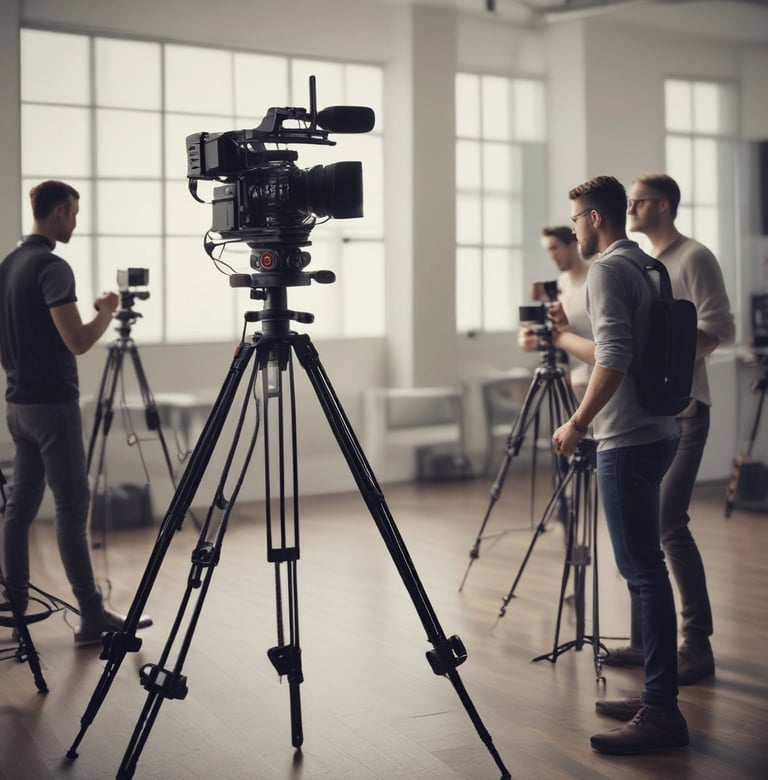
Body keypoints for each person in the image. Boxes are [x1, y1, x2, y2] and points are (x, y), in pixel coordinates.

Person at [550, 175, 688, 755]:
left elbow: (614, 357)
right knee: (646, 567)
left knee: (643, 571)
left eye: (578, 220)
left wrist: (576, 422)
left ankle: (661, 710)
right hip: (660, 429)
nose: (576, 228)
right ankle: (656, 694)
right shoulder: (649, 266)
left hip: (626, 438)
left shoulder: (607, 269)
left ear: (595, 219)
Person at [0, 180, 152, 646]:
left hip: (17, 406)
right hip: (52, 406)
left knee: (19, 511)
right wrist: (107, 309)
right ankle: (91, 615)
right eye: (75, 213)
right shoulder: (51, 266)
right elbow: (79, 342)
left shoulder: (8, 266)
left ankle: (18, 606)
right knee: (71, 507)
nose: (76, 222)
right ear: (62, 209)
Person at [600, 173, 735, 688]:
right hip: (649, 414)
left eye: (636, 201)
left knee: (669, 523)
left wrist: (668, 364)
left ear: (661, 205)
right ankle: (645, 642)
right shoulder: (643, 262)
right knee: (642, 530)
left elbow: (720, 328)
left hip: (686, 407)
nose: (629, 208)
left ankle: (696, 644)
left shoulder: (693, 257)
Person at [519, 226, 592, 399]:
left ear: (573, 244)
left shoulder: (596, 276)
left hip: (598, 373)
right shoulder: (561, 284)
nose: (551, 255)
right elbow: (562, 330)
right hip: (573, 379)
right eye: (547, 250)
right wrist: (535, 339)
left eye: (554, 247)